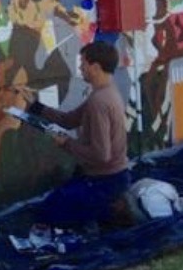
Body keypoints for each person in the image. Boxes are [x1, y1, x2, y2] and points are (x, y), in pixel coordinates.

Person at [22, 40, 131, 227]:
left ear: (95, 67)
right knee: (53, 205)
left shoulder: (99, 102)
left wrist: (66, 144)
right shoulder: (105, 93)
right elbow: (69, 120)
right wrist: (35, 106)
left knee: (49, 216)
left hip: (105, 182)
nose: (80, 68)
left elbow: (101, 155)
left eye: (83, 64)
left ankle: (108, 211)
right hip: (110, 177)